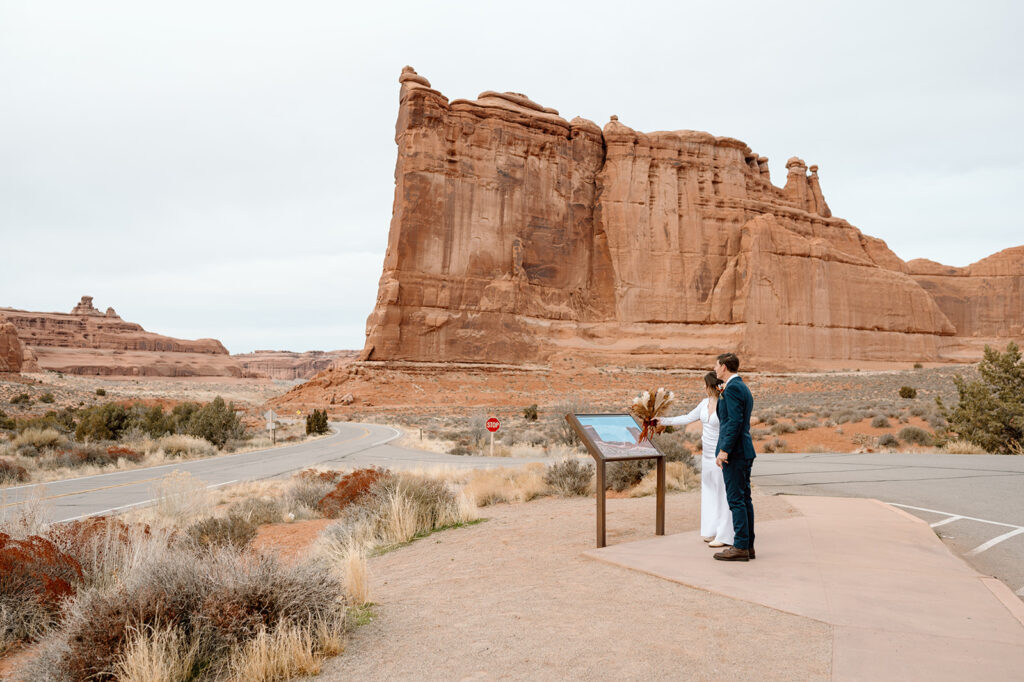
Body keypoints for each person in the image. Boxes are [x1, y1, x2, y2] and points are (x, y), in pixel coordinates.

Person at [656, 372, 734, 548]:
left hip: (720, 455)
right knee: (709, 491)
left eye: (705, 385)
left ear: (712, 386)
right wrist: (662, 421)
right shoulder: (704, 403)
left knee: (723, 493)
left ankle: (725, 535)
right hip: (706, 456)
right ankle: (710, 530)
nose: (704, 388)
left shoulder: (725, 403)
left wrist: (726, 452)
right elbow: (686, 418)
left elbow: (730, 429)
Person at [713, 352, 756, 562]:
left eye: (716, 365)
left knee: (736, 500)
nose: (714, 369)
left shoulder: (733, 388)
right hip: (743, 451)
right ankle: (747, 545)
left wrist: (724, 450)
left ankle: (740, 546)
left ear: (724, 367)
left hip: (735, 453)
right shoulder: (741, 387)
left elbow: (734, 423)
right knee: (745, 499)